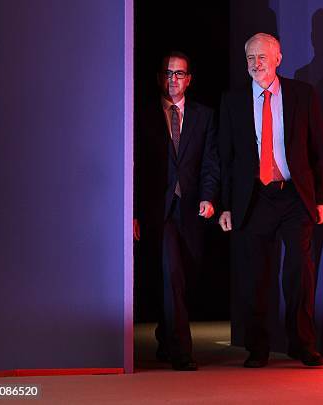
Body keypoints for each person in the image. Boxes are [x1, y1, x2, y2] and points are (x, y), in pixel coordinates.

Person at [218, 33, 323, 368]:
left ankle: (303, 345)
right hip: (254, 198)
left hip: (295, 195)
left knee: (299, 273)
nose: (256, 64)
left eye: (262, 57)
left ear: (278, 58)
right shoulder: (232, 100)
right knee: (257, 276)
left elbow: (319, 150)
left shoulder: (302, 95)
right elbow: (227, 157)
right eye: (250, 58)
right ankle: (258, 348)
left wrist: (322, 198)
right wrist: (226, 204)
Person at [134, 51, 219, 371]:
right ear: (160, 78)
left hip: (191, 208)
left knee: (185, 276)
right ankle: (181, 351)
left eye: (179, 74)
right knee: (173, 277)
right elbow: (136, 166)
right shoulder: (144, 115)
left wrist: (209, 198)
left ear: (189, 79)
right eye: (168, 74)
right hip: (158, 208)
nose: (173, 80)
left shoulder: (204, 115)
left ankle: (163, 335)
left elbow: (211, 161)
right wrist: (134, 212)